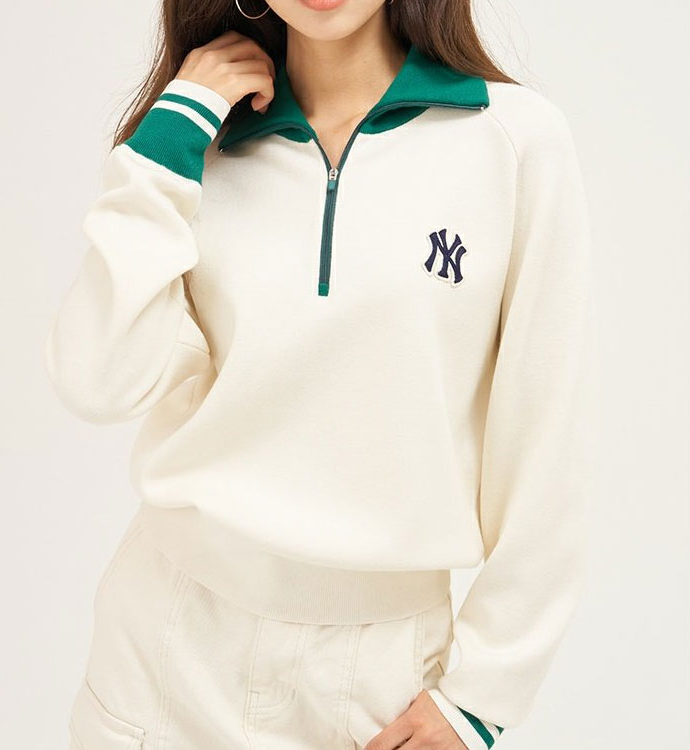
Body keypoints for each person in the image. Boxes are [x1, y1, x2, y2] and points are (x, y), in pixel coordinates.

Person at [45, 0, 600, 748]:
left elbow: (548, 438)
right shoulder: (202, 141)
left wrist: (481, 699)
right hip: (167, 647)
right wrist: (170, 138)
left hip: (376, 676)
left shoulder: (513, 141)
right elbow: (96, 380)